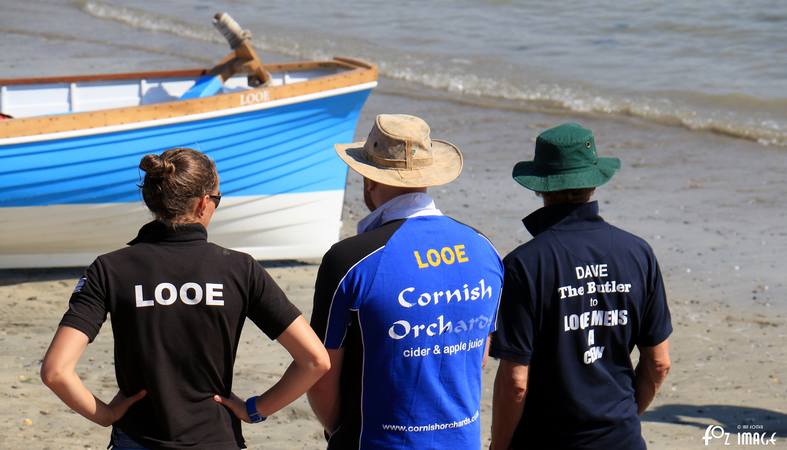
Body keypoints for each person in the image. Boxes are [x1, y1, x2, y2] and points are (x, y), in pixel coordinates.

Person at [40, 148, 330, 450]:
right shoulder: (239, 269)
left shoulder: (110, 268)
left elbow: (56, 371)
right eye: (217, 199)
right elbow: (314, 360)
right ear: (204, 203)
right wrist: (255, 409)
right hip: (215, 439)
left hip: (138, 439)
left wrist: (106, 414)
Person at [307, 114, 504, 449]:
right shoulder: (484, 248)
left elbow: (320, 370)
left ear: (368, 181)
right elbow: (479, 354)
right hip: (462, 439)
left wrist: (340, 431)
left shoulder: (350, 259)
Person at [489, 123, 672, 450]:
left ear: (540, 188)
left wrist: (499, 446)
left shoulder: (524, 265)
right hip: (621, 438)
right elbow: (658, 363)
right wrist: (626, 417)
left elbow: (516, 380)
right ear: (594, 183)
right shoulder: (637, 252)